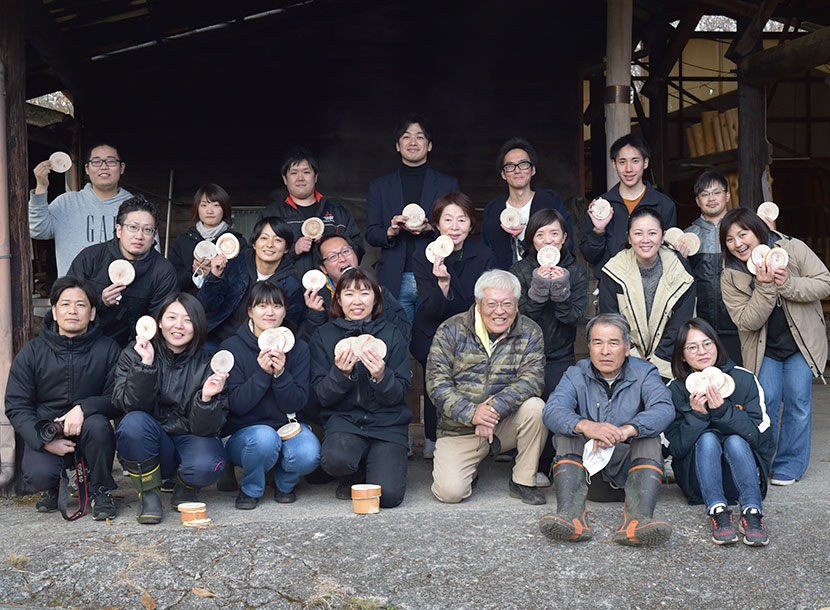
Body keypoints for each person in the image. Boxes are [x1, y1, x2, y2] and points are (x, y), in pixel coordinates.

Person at [540, 314, 674, 546]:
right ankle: (572, 518)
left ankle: (637, 522)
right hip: (589, 480)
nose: (605, 351)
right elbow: (552, 410)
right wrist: (586, 426)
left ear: (627, 347)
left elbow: (664, 409)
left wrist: (627, 430)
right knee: (566, 432)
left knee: (649, 437)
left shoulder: (645, 373)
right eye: (597, 342)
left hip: (630, 478)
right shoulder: (576, 373)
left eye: (613, 342)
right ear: (589, 347)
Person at [720, 207, 830, 486]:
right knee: (764, 403)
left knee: (798, 402)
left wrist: (789, 284)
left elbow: (824, 282)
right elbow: (747, 320)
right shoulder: (731, 275)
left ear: (759, 231)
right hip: (764, 348)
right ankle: (761, 461)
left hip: (800, 345)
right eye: (730, 239)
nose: (738, 244)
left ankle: (789, 464)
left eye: (743, 234)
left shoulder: (793, 248)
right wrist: (765, 286)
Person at [426, 269, 547, 505]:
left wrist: (491, 411)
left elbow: (532, 380)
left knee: (537, 408)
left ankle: (523, 480)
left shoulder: (530, 331)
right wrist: (473, 415)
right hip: (459, 428)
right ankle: (472, 469)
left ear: (517, 304)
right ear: (478, 304)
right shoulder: (451, 330)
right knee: (450, 493)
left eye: (507, 304)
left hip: (504, 423)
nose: (499, 311)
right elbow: (437, 385)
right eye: (491, 303)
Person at [5, 277, 122, 520]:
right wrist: (43, 440)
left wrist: (84, 408)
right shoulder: (32, 352)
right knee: (38, 474)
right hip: (48, 429)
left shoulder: (108, 349)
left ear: (91, 313)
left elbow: (118, 397)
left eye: (81, 305)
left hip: (89, 428)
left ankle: (100, 488)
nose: (72, 311)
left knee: (99, 426)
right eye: (65, 304)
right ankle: (53, 485)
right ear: (55, 312)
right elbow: (17, 405)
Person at [113, 293, 228, 524]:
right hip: (152, 442)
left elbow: (209, 428)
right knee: (133, 423)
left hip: (190, 437)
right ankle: (149, 494)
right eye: (171, 317)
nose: (178, 326)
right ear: (158, 322)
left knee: (207, 464)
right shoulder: (134, 353)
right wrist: (145, 365)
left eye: (187, 320)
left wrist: (206, 398)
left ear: (198, 325)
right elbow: (126, 404)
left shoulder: (209, 363)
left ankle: (185, 485)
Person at [665, 318, 774, 546]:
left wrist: (723, 410)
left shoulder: (744, 379)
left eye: (707, 343)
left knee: (735, 440)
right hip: (698, 483)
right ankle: (717, 510)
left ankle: (752, 511)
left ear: (717, 345)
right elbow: (673, 448)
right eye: (692, 347)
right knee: (707, 439)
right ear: (682, 355)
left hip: (742, 476)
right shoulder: (675, 389)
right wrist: (697, 416)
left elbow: (761, 438)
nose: (702, 352)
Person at [309, 269, 411, 508]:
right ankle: (352, 472)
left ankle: (376, 464)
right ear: (339, 300)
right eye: (349, 294)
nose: (357, 301)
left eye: (365, 293)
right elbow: (321, 396)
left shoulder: (392, 334)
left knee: (387, 498)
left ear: (376, 299)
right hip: (346, 421)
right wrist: (340, 374)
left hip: (387, 423)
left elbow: (399, 393)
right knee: (335, 459)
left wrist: (382, 376)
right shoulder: (323, 336)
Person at [220, 282, 320, 508]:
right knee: (265, 438)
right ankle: (251, 490)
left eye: (277, 306)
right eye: (262, 306)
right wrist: (263, 374)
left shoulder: (299, 348)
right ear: (250, 311)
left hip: (286, 426)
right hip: (244, 432)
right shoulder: (232, 347)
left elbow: (296, 402)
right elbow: (236, 405)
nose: (270, 312)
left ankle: (284, 484)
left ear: (285, 311)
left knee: (309, 452)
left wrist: (281, 374)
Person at [411, 192, 495, 459]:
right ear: (437, 224)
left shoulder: (483, 255)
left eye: (462, 219)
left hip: (473, 330)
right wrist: (443, 284)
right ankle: (432, 437)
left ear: (471, 224)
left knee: (473, 380)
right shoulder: (423, 256)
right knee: (436, 382)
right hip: (433, 330)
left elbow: (486, 301)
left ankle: (474, 438)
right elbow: (430, 309)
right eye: (448, 219)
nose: (455, 227)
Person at [510, 208, 587, 484]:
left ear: (564, 238)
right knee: (530, 409)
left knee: (559, 407)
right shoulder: (519, 271)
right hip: (523, 356)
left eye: (554, 233)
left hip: (560, 354)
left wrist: (561, 290)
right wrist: (539, 289)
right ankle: (529, 466)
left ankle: (557, 464)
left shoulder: (576, 271)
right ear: (531, 240)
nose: (548, 240)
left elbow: (574, 317)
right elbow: (515, 317)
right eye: (540, 235)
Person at [365, 113, 460, 322]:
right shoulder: (380, 187)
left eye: (419, 136)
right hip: (395, 277)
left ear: (429, 145)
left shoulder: (447, 184)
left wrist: (431, 230)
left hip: (434, 273)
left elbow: (459, 229)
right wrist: (390, 231)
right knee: (397, 341)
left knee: (433, 341)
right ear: (398, 146)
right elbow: (371, 233)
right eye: (407, 137)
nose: (413, 142)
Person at [67, 194, 178, 347]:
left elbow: (160, 320)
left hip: (134, 349)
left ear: (154, 236)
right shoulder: (91, 257)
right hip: (85, 344)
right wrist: (100, 301)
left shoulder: (163, 271)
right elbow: (66, 301)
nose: (139, 236)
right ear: (119, 230)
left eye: (147, 230)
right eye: (133, 227)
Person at [598, 206, 695, 380]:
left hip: (668, 365)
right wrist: (636, 365)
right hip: (625, 363)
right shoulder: (613, 271)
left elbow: (680, 324)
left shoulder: (680, 270)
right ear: (629, 237)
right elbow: (611, 322)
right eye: (638, 233)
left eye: (652, 233)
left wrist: (655, 366)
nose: (645, 240)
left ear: (662, 236)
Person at [197, 216, 303, 350]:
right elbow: (206, 306)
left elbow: (289, 326)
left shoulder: (291, 283)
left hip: (260, 346)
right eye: (264, 238)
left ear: (287, 248)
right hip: (218, 338)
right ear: (254, 243)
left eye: (278, 240)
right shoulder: (235, 265)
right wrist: (214, 278)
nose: (269, 245)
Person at [29, 142, 134, 276]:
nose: (104, 166)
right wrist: (41, 187)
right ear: (87, 168)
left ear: (121, 168)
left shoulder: (136, 207)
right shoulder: (66, 203)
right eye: (96, 161)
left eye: (111, 161)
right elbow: (37, 230)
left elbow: (151, 253)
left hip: (124, 292)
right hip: (74, 292)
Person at [580, 134, 677, 273]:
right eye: (622, 162)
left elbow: (670, 253)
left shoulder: (664, 204)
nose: (629, 169)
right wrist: (599, 230)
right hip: (612, 286)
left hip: (653, 286)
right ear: (614, 164)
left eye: (635, 161)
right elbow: (590, 257)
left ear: (645, 163)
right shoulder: (601, 206)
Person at [259, 147, 364, 276]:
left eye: (306, 172)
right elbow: (260, 257)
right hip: (287, 290)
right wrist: (293, 250)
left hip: (333, 289)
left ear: (315, 177)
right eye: (294, 173)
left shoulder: (338, 212)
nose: (300, 178)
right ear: (285, 179)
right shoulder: (271, 215)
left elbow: (358, 249)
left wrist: (331, 241)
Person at [481, 138, 574, 270]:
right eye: (510, 166)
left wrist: (525, 235)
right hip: (504, 283)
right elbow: (486, 252)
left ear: (533, 170)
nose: (517, 170)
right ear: (503, 174)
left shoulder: (550, 201)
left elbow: (567, 244)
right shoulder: (493, 210)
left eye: (523, 164)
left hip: (545, 278)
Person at [303, 234, 410, 342]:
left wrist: (380, 299)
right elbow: (313, 346)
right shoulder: (317, 300)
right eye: (333, 256)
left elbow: (404, 335)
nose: (342, 259)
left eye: (346, 251)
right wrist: (317, 315)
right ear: (323, 268)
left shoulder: (379, 291)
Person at [683, 170, 741, 364]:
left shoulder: (742, 231)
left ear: (727, 196)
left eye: (716, 192)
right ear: (698, 201)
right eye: (705, 194)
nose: (711, 198)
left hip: (739, 323)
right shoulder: (688, 236)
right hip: (703, 325)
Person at [168, 183, 247, 294]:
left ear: (224, 208)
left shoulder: (236, 242)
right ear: (197, 208)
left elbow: (243, 282)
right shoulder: (183, 241)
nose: (210, 211)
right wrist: (192, 272)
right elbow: (171, 283)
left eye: (216, 205)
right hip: (189, 307)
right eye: (204, 205)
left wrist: (216, 274)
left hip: (225, 308)